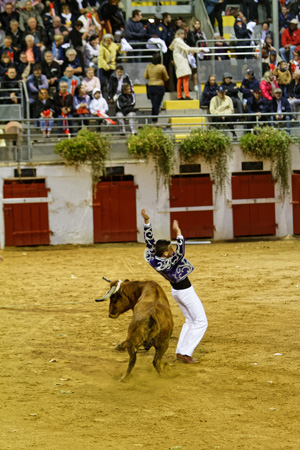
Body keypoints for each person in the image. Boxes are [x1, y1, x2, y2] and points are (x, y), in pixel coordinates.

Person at [141, 209, 208, 364]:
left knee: (190, 321)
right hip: (185, 292)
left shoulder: (154, 257)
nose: (172, 250)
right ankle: (185, 353)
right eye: (170, 249)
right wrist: (178, 233)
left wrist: (146, 222)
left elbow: (149, 242)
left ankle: (181, 352)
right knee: (201, 322)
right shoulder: (169, 261)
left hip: (177, 291)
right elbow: (181, 253)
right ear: (165, 254)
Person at [169, 29, 205, 100]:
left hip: (179, 60)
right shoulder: (178, 40)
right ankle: (186, 95)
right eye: (182, 34)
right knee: (185, 77)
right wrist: (199, 49)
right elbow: (188, 48)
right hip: (181, 60)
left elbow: (171, 47)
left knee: (180, 78)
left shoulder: (176, 41)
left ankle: (180, 95)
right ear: (179, 34)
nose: (184, 35)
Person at [144, 52, 169, 123]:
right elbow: (166, 78)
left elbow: (145, 76)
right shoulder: (161, 67)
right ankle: (155, 121)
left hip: (150, 87)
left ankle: (154, 120)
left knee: (154, 104)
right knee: (156, 105)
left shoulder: (148, 66)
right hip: (159, 87)